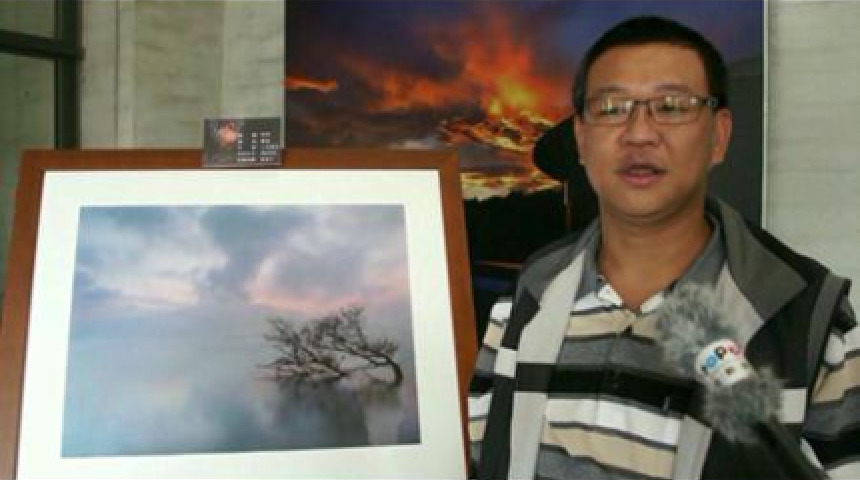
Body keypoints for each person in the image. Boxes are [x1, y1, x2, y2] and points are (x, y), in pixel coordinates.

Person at [468, 15, 858, 480]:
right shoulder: (527, 300)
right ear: (582, 140)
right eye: (611, 107)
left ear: (718, 136)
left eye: (672, 106)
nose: (639, 133)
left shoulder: (805, 317)